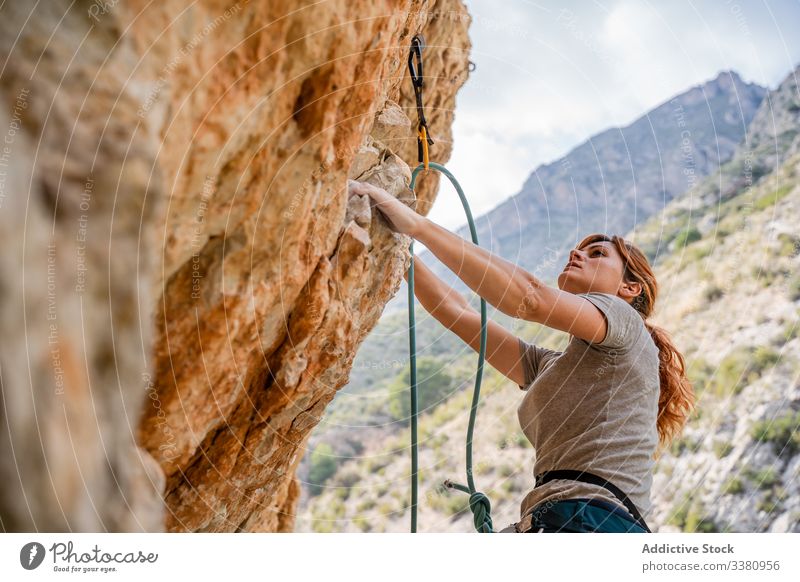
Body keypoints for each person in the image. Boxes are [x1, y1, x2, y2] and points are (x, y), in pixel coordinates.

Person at [348, 179, 696, 533]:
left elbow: (528, 297)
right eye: (579, 250)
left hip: (591, 521)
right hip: (565, 517)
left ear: (629, 288)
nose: (576, 254)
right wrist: (400, 249)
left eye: (598, 254)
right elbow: (458, 313)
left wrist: (417, 226)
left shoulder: (626, 322)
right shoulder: (552, 366)